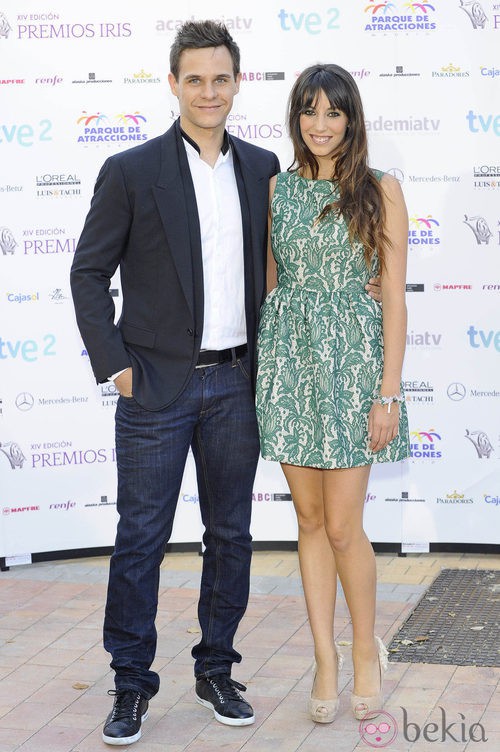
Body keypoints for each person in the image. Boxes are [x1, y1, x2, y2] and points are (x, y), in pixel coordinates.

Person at [70, 19, 280, 745]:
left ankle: (217, 668)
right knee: (140, 540)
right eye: (195, 78)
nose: (209, 91)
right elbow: (88, 272)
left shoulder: (263, 167)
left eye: (221, 78)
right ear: (173, 84)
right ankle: (131, 685)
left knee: (230, 535)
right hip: (154, 389)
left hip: (234, 387)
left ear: (237, 83)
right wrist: (116, 366)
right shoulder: (131, 171)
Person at [255, 64, 410, 724]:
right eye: (309, 112)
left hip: (353, 371)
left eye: (333, 113)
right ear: (296, 119)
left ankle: (365, 652)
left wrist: (389, 394)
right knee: (309, 523)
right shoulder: (275, 190)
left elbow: (395, 299)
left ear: (352, 120)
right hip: (290, 368)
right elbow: (272, 288)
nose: (320, 125)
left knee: (346, 527)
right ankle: (325, 658)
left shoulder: (381, 190)